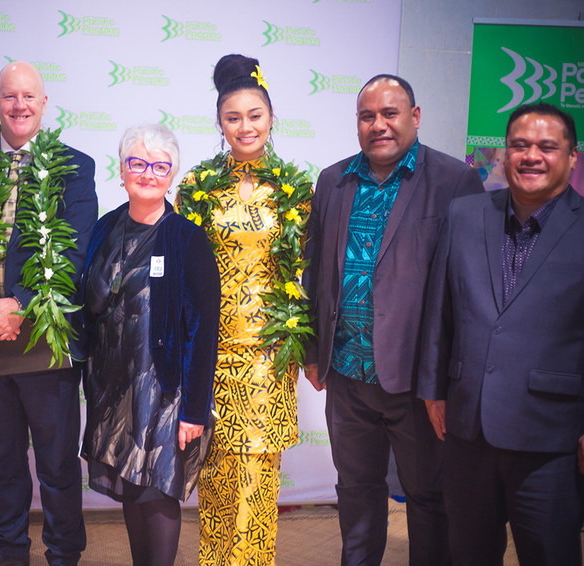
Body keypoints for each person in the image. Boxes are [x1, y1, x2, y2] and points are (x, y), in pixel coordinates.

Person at [301, 74, 484, 566]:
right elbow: (316, 269)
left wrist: (444, 381)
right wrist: (314, 352)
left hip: (416, 383)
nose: (378, 125)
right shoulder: (333, 180)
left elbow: (466, 288)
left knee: (428, 498)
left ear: (415, 117)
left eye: (390, 114)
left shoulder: (454, 180)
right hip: (346, 374)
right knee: (356, 491)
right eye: (367, 116)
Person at [419, 102, 583, 565]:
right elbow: (440, 310)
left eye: (547, 147)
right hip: (468, 431)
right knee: (467, 553)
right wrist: (433, 390)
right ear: (504, 154)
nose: (531, 155)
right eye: (519, 145)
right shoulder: (466, 214)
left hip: (551, 439)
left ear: (572, 157)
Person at [0, 61, 97, 566]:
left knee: (56, 463)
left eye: (29, 96)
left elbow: (76, 252)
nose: (19, 105)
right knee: (3, 459)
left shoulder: (74, 166)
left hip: (47, 336)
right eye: (9, 96)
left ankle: (63, 553)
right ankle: (9, 547)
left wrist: (19, 303)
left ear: (44, 104)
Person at [176, 54, 312, 565]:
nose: (245, 126)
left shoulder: (295, 191)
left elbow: (311, 275)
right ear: (219, 123)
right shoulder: (196, 188)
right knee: (216, 475)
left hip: (269, 357)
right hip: (210, 353)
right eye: (233, 117)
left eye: (255, 114)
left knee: (258, 478)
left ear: (271, 117)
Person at [81, 124, 220, 566]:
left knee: (158, 492)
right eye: (137, 163)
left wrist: (194, 410)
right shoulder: (104, 228)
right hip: (113, 390)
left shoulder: (187, 239)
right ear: (121, 170)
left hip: (164, 393)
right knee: (131, 492)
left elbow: (204, 329)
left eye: (160, 166)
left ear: (172, 174)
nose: (148, 173)